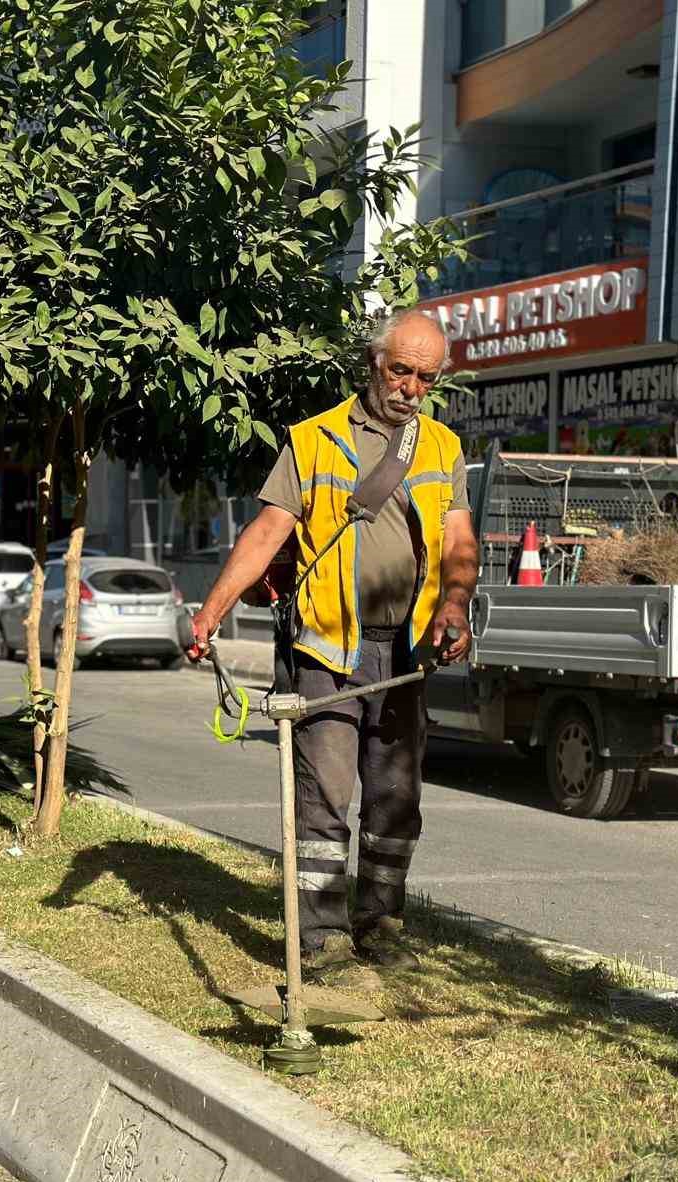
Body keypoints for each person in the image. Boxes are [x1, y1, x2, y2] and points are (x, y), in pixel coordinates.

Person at [188, 310, 479, 982]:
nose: (409, 387)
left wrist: (455, 605)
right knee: (326, 796)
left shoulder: (440, 446)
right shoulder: (315, 440)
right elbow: (266, 533)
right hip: (325, 648)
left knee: (395, 799)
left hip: (405, 656)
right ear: (375, 362)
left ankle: (380, 926)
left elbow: (459, 540)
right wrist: (211, 612)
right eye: (400, 370)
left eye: (424, 378)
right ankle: (322, 942)